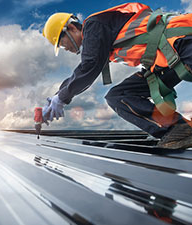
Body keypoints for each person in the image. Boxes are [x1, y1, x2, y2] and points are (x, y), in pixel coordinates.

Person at [42, 2, 192, 149]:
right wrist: (57, 96)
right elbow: (86, 67)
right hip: (169, 57)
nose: (65, 49)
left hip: (183, 44)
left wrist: (62, 98)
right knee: (118, 96)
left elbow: (89, 66)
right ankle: (179, 129)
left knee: (117, 95)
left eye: (62, 44)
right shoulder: (101, 36)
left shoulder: (93, 26)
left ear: (71, 28)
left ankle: (179, 130)